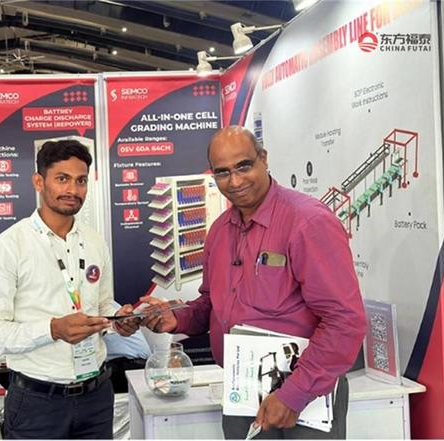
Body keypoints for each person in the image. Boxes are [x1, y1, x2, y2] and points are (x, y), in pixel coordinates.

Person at [141, 127, 366, 439]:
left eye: (243, 166)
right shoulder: (220, 231)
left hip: (305, 399)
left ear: (264, 159)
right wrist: (176, 317)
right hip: (243, 393)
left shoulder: (308, 222)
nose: (234, 182)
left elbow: (345, 320)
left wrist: (295, 394)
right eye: (222, 172)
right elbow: (212, 303)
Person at [0, 140, 139, 439]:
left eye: (81, 180)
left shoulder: (94, 241)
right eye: (62, 179)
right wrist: (52, 330)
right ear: (39, 182)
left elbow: (102, 305)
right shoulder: (9, 246)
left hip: (96, 397)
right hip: (37, 402)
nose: (73, 190)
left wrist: (119, 320)